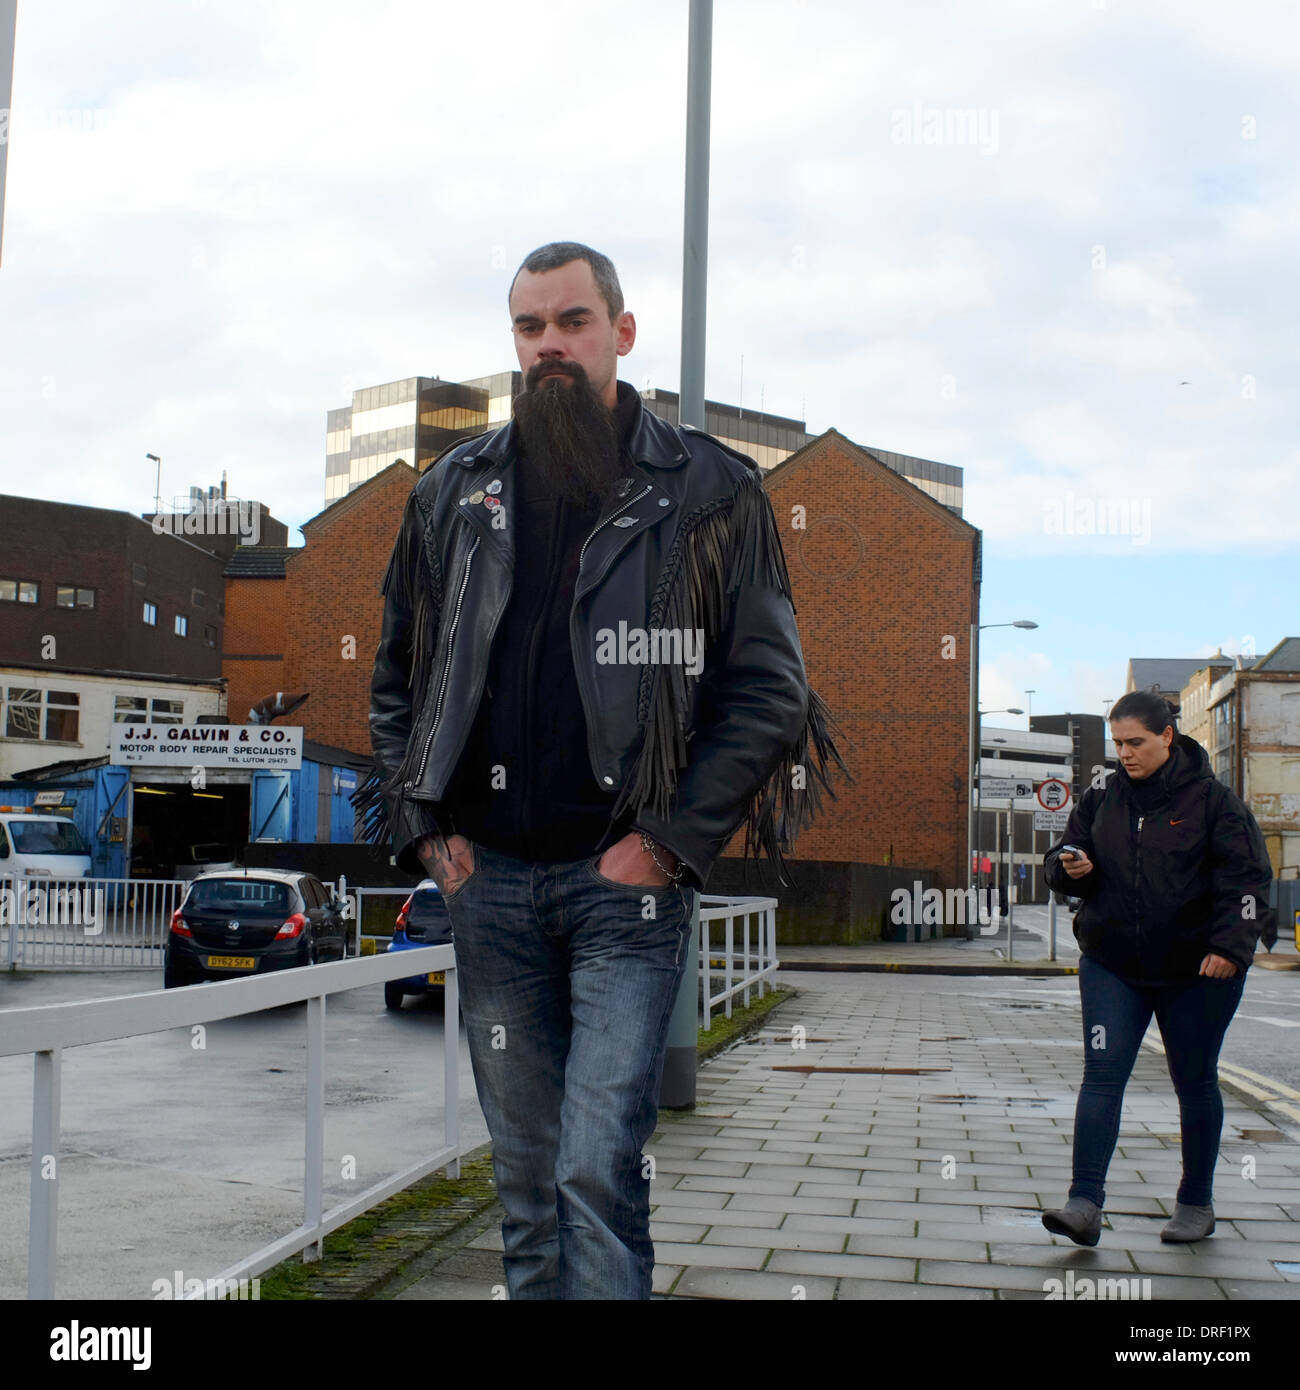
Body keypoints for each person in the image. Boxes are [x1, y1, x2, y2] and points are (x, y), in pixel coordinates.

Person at [356, 241, 846, 1299]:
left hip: (623, 890)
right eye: (528, 328)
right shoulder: (453, 492)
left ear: (620, 333)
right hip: (486, 884)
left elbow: (769, 693)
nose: (549, 348)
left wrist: (667, 844)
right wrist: (429, 840)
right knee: (526, 1178)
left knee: (593, 1166)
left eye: (570, 322)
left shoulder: (708, 489)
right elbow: (396, 679)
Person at [1041, 690, 1273, 1247]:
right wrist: (1070, 867)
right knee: (1102, 1073)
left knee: (1193, 1082)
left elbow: (1247, 880)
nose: (1125, 753)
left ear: (1167, 736)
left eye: (1136, 742)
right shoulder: (1102, 798)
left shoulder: (1215, 803)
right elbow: (1062, 859)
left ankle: (1196, 1203)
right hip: (1112, 964)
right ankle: (1084, 1203)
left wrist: (1231, 946)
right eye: (1118, 742)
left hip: (1198, 972)